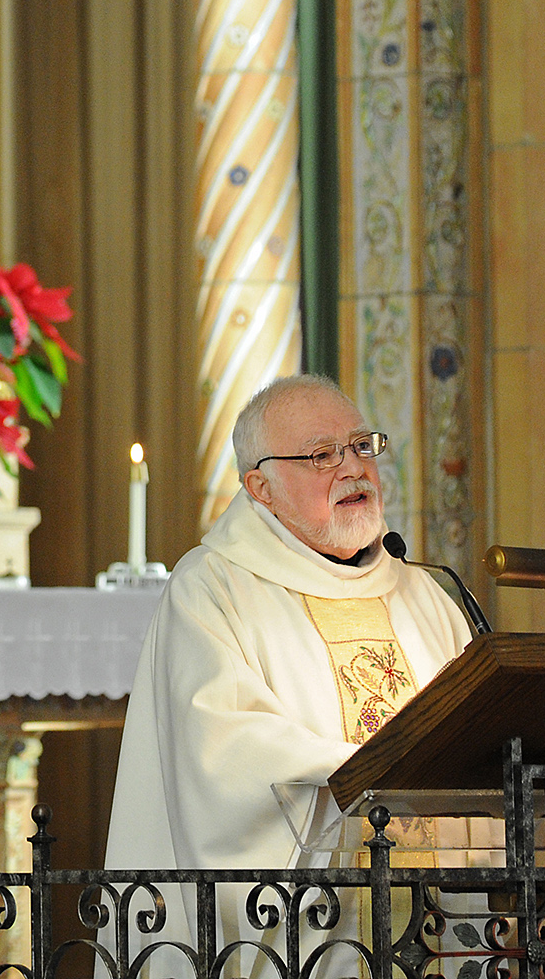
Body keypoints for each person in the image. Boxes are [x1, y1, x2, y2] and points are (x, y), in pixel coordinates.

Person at [103, 375, 475, 962]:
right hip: (309, 942)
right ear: (261, 488)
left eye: (360, 446)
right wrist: (377, 769)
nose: (352, 469)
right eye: (323, 455)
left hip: (437, 931)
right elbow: (223, 756)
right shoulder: (212, 588)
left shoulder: (425, 594)